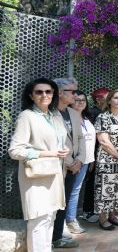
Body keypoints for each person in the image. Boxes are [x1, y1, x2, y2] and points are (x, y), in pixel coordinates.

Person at [9, 78, 68, 252]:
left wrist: (61, 149)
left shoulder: (54, 116)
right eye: (39, 92)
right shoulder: (27, 116)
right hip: (36, 177)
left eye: (48, 91)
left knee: (50, 217)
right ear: (31, 95)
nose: (44, 95)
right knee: (38, 220)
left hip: (55, 174)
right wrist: (48, 153)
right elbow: (15, 150)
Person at [51, 77, 87, 248]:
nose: (75, 94)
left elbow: (80, 138)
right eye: (72, 92)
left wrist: (79, 160)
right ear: (60, 93)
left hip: (74, 166)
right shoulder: (49, 113)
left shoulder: (73, 113)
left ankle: (57, 236)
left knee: (63, 202)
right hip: (58, 167)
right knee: (53, 204)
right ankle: (51, 237)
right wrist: (69, 162)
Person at [94, 90, 118, 231]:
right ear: (109, 100)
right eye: (116, 98)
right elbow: (103, 141)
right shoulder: (103, 117)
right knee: (106, 189)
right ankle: (103, 218)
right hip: (108, 159)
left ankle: (112, 215)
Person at [66, 91, 96, 234]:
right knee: (72, 192)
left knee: (76, 191)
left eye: (83, 100)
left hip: (86, 160)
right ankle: (70, 221)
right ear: (71, 101)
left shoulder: (87, 117)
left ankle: (70, 219)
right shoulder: (68, 118)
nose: (80, 102)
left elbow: (90, 142)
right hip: (73, 161)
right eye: (77, 100)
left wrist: (91, 160)